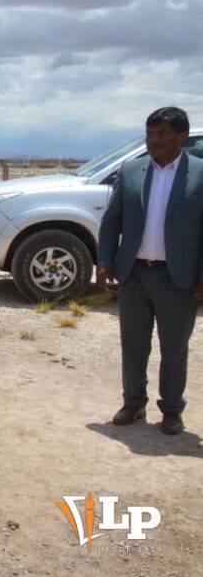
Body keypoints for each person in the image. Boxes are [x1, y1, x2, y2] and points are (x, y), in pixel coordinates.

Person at [97, 107, 203, 436]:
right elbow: (112, 221)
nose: (153, 140)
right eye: (149, 133)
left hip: (177, 277)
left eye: (161, 134)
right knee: (133, 344)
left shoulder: (199, 173)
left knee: (174, 347)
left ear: (181, 137)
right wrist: (105, 260)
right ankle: (133, 403)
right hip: (135, 274)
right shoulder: (132, 170)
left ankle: (171, 409)